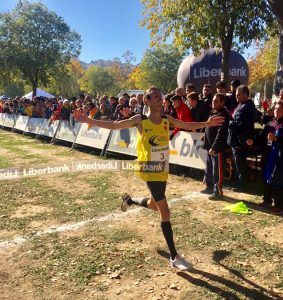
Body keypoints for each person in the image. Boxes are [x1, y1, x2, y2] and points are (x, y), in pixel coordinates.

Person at [74, 87, 224, 271]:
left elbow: (186, 125)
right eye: (154, 96)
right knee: (165, 211)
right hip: (149, 169)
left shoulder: (166, 119)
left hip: (162, 169)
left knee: (154, 205)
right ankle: (174, 256)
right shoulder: (140, 120)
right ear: (147, 101)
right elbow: (115, 125)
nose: (159, 98)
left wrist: (207, 123)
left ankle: (130, 200)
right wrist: (88, 120)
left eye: (160, 96)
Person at [202, 93, 231, 200]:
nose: (213, 103)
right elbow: (209, 127)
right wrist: (205, 137)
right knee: (209, 168)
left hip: (217, 149)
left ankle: (217, 191)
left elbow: (221, 134)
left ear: (222, 103)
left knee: (216, 170)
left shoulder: (223, 115)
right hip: (209, 146)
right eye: (213, 101)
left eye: (216, 101)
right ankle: (209, 187)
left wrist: (214, 147)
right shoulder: (214, 112)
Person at [227, 85, 256, 191]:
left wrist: (230, 123)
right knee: (237, 162)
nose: (236, 97)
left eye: (238, 95)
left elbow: (241, 124)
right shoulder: (241, 105)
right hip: (235, 139)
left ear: (245, 94)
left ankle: (241, 185)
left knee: (240, 163)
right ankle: (238, 182)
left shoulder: (247, 106)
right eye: (236, 95)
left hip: (240, 140)